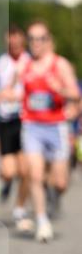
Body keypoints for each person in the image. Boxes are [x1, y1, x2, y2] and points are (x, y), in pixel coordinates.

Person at [14, 21, 80, 242]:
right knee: (35, 174)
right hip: (32, 125)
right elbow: (12, 90)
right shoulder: (24, 66)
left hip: (56, 126)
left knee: (60, 182)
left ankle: (54, 195)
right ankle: (42, 221)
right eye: (32, 38)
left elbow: (75, 93)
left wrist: (59, 89)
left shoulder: (60, 65)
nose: (36, 43)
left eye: (40, 38)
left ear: (48, 40)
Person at [0, 26, 31, 230]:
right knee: (9, 171)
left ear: (23, 40)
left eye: (17, 39)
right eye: (10, 39)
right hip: (6, 120)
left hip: (27, 120)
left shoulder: (30, 61)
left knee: (26, 170)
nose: (14, 43)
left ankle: (20, 209)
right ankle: (6, 185)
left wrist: (21, 97)